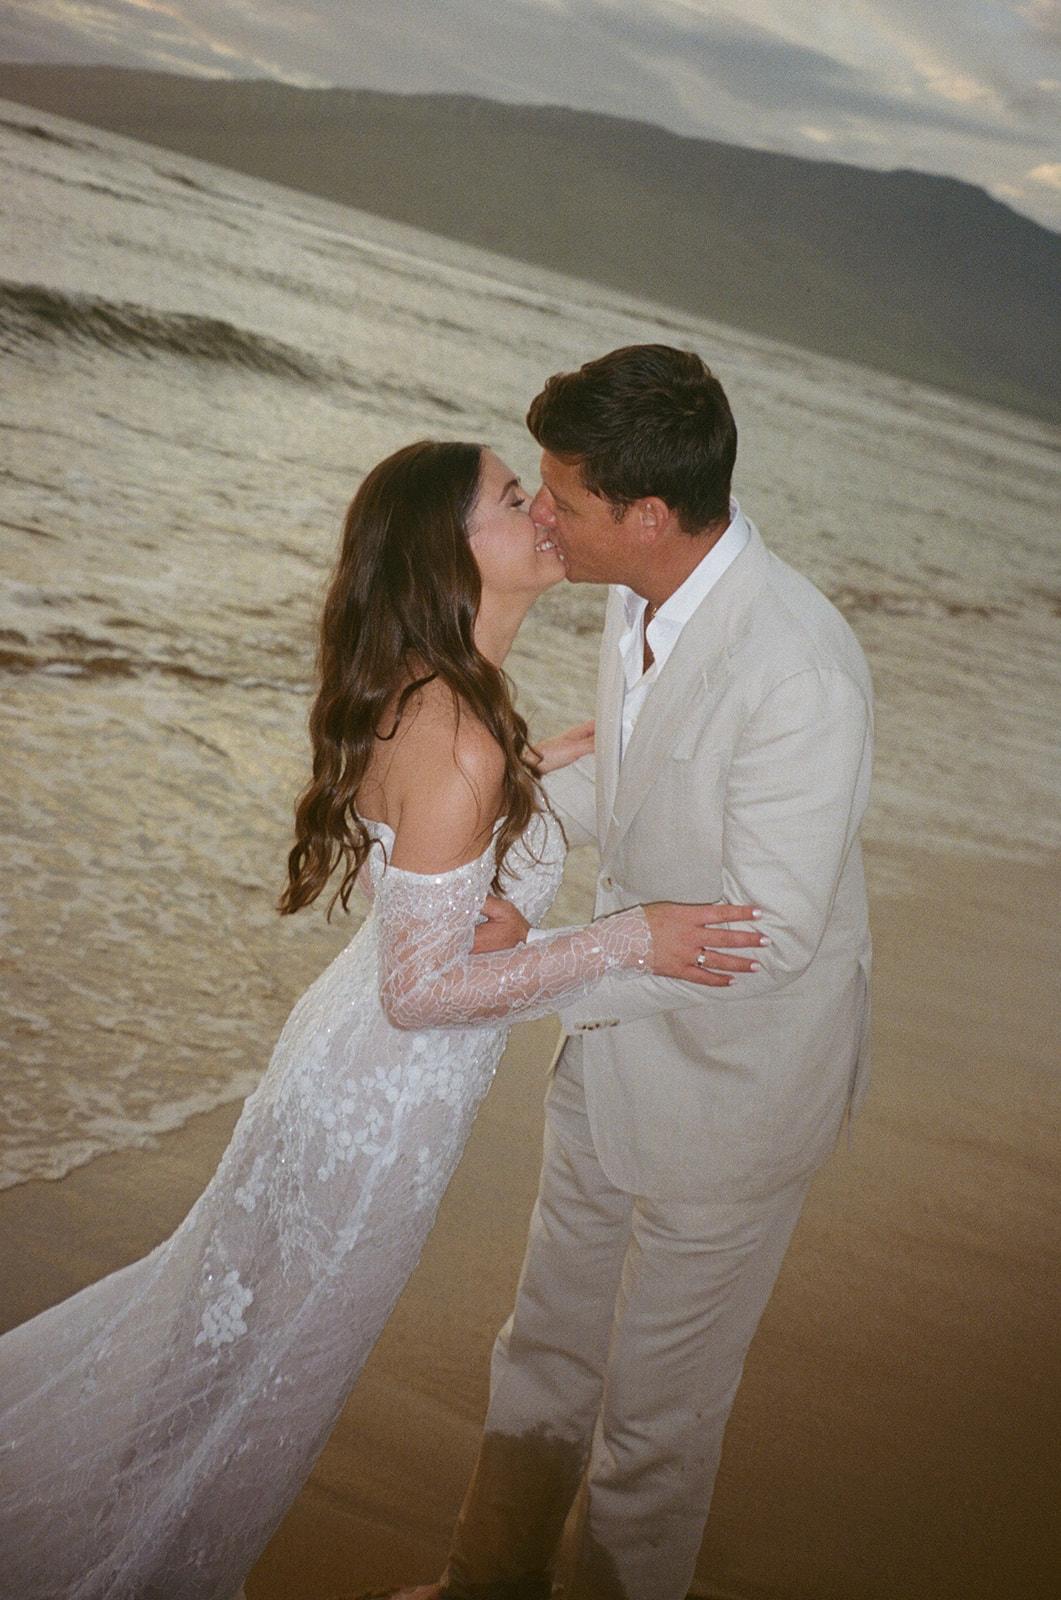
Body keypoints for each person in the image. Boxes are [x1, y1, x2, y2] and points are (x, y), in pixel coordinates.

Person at [0, 439, 765, 1600]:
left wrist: (589, 760)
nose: (542, 510)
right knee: (254, 1383)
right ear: (449, 555)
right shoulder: (453, 734)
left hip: (342, 1076)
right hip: (371, 1116)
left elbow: (474, 824)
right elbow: (420, 993)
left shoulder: (449, 700)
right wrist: (630, 938)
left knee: (213, 1362)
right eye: (513, 500)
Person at [380, 347, 874, 1600]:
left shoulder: (797, 669)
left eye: (563, 500)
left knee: (654, 1425)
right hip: (609, 1063)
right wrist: (514, 821)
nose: (541, 518)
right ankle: (483, 1582)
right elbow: (635, 774)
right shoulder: (638, 593)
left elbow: (766, 932)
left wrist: (543, 964)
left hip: (733, 1094)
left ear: (646, 516)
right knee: (541, 1346)